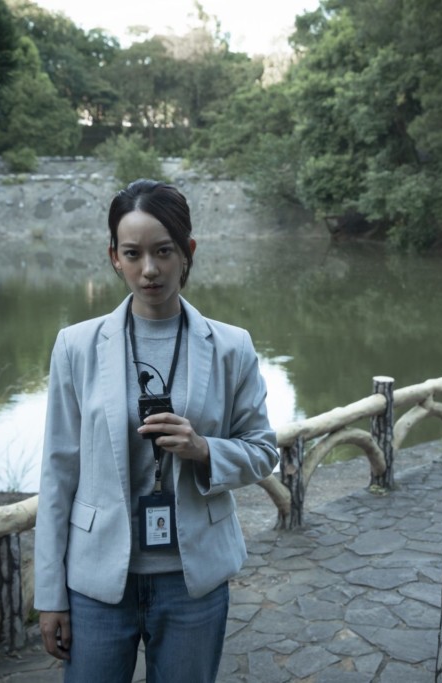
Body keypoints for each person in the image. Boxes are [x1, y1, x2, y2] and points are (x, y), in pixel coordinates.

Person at [34, 179, 279, 682]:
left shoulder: (231, 346)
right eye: (134, 253)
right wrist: (49, 594)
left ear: (187, 252)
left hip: (191, 583)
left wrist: (203, 448)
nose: (150, 269)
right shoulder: (76, 346)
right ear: (114, 258)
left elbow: (262, 451)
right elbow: (58, 473)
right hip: (99, 581)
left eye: (163, 251)